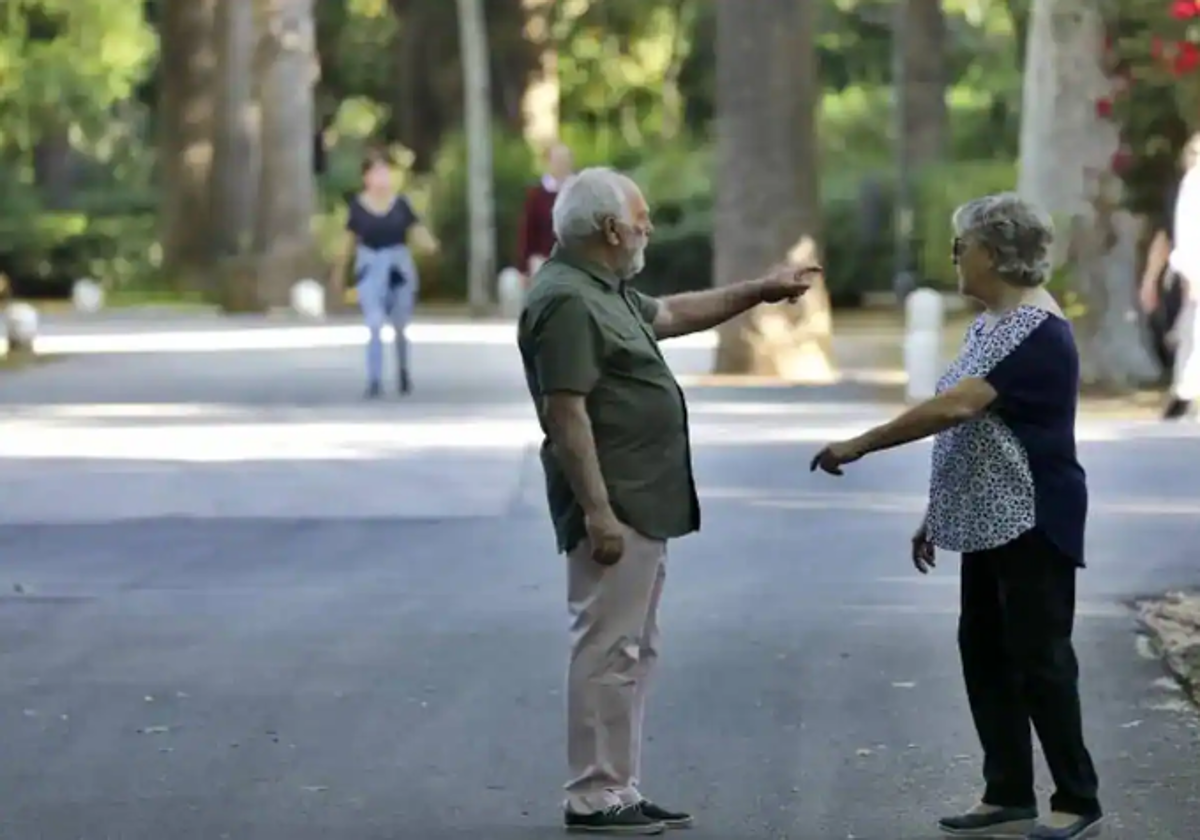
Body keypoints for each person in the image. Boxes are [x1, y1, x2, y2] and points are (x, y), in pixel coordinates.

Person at [517, 166, 820, 835]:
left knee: (632, 650)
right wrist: (597, 511)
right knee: (606, 649)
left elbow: (674, 313)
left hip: (640, 500)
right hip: (615, 502)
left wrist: (758, 291)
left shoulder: (605, 288)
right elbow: (565, 413)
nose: (648, 227)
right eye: (641, 217)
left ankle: (617, 787)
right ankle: (593, 795)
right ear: (608, 229)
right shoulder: (567, 299)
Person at [811, 193, 1103, 840]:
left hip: (1033, 515)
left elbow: (956, 408)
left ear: (996, 254)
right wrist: (936, 511)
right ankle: (1007, 792)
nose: (953, 255)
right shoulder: (989, 325)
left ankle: (1077, 799)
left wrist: (860, 444)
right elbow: (972, 431)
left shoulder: (1039, 333)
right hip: (987, 517)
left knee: (1041, 658)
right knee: (985, 653)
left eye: (962, 245)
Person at [330, 149, 438, 398]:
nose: (382, 177)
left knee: (400, 324)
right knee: (374, 322)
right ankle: (374, 379)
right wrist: (339, 272)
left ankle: (402, 372)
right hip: (370, 267)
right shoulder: (358, 207)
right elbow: (347, 242)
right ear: (366, 177)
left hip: (399, 267)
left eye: (385, 172)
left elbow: (417, 232)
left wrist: (432, 247)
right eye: (376, 172)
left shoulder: (401, 205)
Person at [1140, 133, 1200, 420]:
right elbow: (1171, 237)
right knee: (1186, 334)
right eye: (1193, 153)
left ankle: (1185, 392)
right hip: (1185, 272)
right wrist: (1151, 279)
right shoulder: (1184, 191)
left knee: (1192, 334)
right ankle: (1185, 391)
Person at [517, 142, 574, 281]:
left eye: (565, 160)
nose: (562, 165)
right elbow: (528, 231)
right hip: (544, 258)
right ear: (549, 163)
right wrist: (523, 267)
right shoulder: (536, 195)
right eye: (558, 160)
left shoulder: (578, 192)